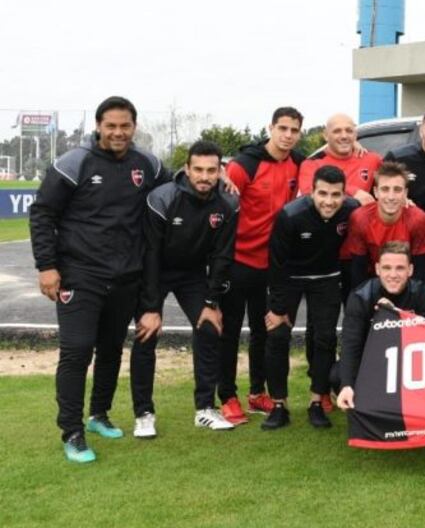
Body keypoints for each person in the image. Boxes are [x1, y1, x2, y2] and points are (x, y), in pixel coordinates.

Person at [30, 96, 169, 463]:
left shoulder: (148, 164)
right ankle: (72, 432)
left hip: (126, 277)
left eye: (125, 126)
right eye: (111, 126)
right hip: (80, 275)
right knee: (77, 351)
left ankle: (98, 415)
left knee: (110, 349)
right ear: (98, 126)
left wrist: (224, 180)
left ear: (134, 127)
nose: (118, 132)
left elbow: (178, 189)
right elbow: (42, 213)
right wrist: (46, 266)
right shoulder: (74, 163)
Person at [131, 140, 238, 437]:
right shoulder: (163, 198)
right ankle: (143, 413)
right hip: (155, 271)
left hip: (192, 274)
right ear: (187, 169)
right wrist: (151, 307)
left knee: (209, 328)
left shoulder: (228, 202)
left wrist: (211, 302)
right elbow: (150, 253)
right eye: (198, 170)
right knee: (146, 333)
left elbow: (222, 256)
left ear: (220, 171)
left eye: (211, 170)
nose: (204, 176)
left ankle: (205, 409)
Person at [219, 106, 305, 424]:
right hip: (238, 261)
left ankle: (257, 393)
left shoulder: (300, 163)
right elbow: (221, 203)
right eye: (283, 128)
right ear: (270, 128)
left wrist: (355, 144)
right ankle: (227, 397)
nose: (288, 135)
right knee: (229, 332)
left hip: (272, 266)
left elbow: (332, 169)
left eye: (294, 130)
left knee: (263, 331)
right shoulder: (245, 165)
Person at [262, 165, 358, 430]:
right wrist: (277, 308)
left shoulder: (352, 210)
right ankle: (279, 405)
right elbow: (276, 263)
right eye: (323, 194)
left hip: (326, 278)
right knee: (277, 335)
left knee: (325, 337)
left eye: (336, 195)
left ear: (344, 194)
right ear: (311, 192)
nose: (329, 201)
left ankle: (317, 401)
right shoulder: (290, 215)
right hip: (290, 278)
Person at [336, 242, 425, 412]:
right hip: (370, 361)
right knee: (336, 375)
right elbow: (351, 343)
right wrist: (346, 385)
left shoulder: (420, 292)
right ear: (377, 269)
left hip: (406, 361)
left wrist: (394, 314)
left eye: (400, 268)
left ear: (410, 270)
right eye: (387, 268)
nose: (393, 275)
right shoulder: (360, 296)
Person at [342, 161, 425, 288]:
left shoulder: (417, 219)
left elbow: (420, 271)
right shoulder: (360, 218)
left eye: (397, 190)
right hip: (372, 281)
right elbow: (358, 271)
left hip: (405, 282)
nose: (391, 197)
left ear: (405, 193)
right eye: (385, 189)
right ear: (376, 192)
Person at [297, 113, 382, 203]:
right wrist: (354, 192)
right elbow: (308, 194)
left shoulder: (372, 159)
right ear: (326, 135)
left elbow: (390, 180)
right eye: (337, 131)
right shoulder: (312, 164)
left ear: (355, 134)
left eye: (349, 131)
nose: (344, 136)